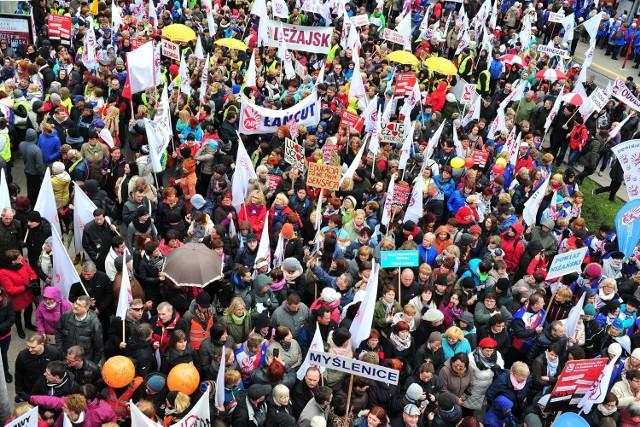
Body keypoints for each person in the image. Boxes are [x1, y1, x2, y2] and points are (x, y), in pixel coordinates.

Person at [55, 295, 104, 364]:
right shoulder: (66, 316)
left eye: (79, 305)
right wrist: (60, 350)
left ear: (86, 309)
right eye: (76, 303)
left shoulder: (94, 323)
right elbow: (58, 331)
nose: (75, 306)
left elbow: (98, 347)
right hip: (65, 359)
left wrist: (92, 365)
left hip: (83, 362)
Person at [0, 249, 36, 339]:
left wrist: (34, 279)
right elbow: (10, 289)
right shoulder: (3, 272)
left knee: (29, 309)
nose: (22, 258)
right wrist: (26, 287)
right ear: (13, 261)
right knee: (16, 315)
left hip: (27, 294)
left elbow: (29, 269)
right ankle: (20, 330)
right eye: (19, 257)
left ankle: (28, 324)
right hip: (16, 298)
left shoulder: (21, 261)